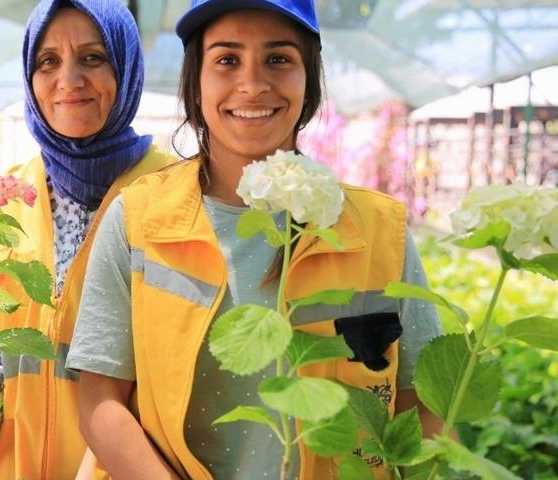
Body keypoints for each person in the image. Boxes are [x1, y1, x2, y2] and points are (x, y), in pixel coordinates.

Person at [66, 0, 446, 478]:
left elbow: (425, 403)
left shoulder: (375, 228)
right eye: (226, 59)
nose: (252, 83)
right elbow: (100, 403)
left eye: (279, 58)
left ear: (309, 77)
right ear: (195, 81)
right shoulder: (137, 219)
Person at [0, 1, 172, 478]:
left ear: (126, 67)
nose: (68, 79)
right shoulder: (7, 197)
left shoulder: (174, 195)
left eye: (92, 57)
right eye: (47, 61)